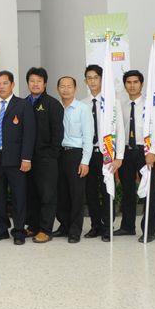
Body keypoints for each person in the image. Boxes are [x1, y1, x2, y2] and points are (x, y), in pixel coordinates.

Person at [0, 71, 35, 245]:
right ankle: (1, 229)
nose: (1, 87)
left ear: (12, 85)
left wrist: (26, 158)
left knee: (18, 196)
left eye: (5, 83)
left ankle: (19, 231)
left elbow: (29, 134)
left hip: (17, 160)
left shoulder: (23, 105)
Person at [116, 70, 155, 243]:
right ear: (125, 85)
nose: (132, 85)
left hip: (145, 152)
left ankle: (149, 231)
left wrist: (153, 152)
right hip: (126, 151)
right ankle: (127, 226)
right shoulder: (120, 104)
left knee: (149, 192)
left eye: (135, 82)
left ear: (141, 84)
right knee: (127, 190)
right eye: (128, 82)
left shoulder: (150, 104)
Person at [82, 65, 124, 242]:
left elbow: (120, 130)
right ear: (85, 81)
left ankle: (108, 227)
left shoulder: (112, 102)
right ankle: (95, 226)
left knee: (107, 191)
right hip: (88, 153)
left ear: (102, 79)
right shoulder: (82, 103)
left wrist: (119, 157)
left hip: (106, 154)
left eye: (96, 77)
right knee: (90, 192)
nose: (92, 81)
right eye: (89, 78)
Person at [24, 67, 64, 244]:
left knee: (47, 194)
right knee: (31, 193)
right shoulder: (23, 103)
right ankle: (33, 226)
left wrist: (51, 155)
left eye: (39, 81)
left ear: (45, 83)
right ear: (27, 83)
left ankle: (46, 230)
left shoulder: (52, 104)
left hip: (46, 158)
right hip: (27, 158)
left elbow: (58, 133)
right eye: (32, 81)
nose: (35, 84)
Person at [55, 76, 93, 243]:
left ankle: (75, 230)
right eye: (62, 86)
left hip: (76, 155)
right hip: (58, 154)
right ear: (58, 89)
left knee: (76, 194)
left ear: (75, 89)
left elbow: (88, 137)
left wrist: (85, 161)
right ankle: (64, 226)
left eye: (69, 86)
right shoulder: (56, 108)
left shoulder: (83, 109)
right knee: (61, 193)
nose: (65, 89)